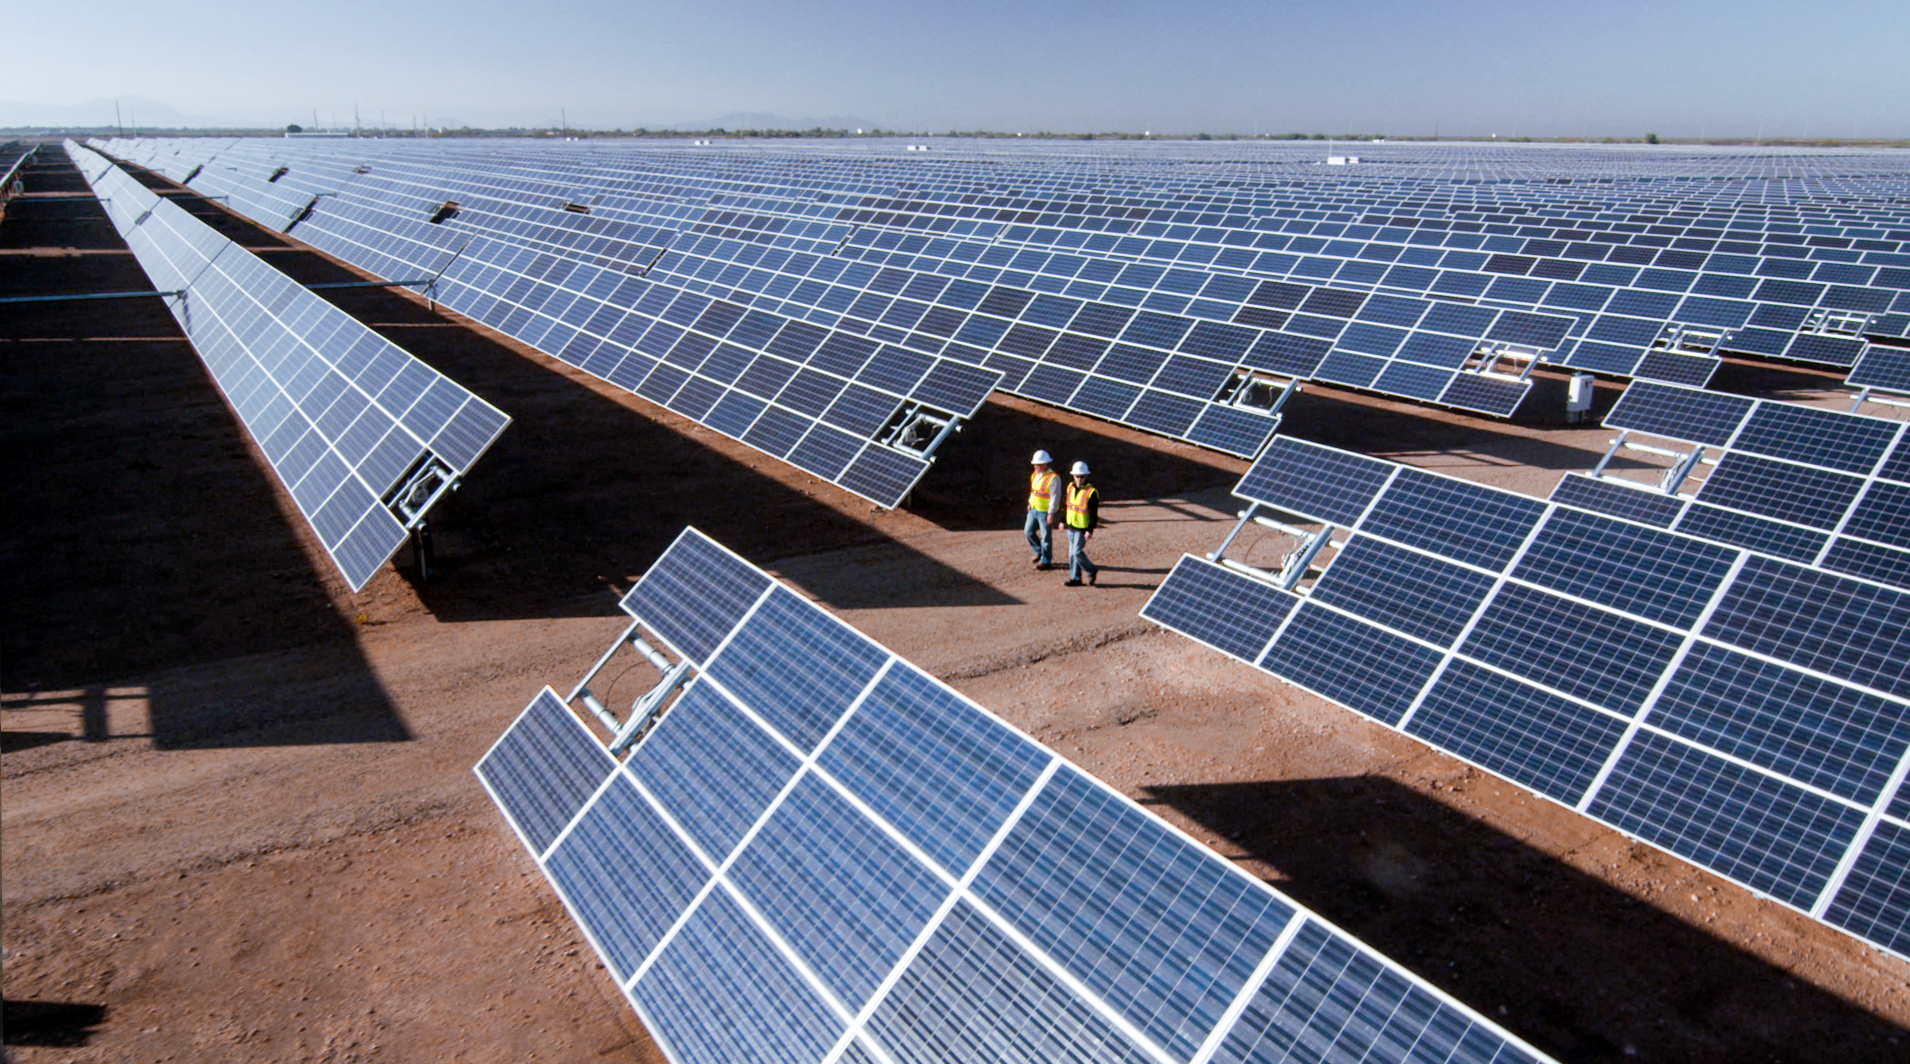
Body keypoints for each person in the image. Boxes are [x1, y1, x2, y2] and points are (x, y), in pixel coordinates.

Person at [1062, 460, 1101, 587]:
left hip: (1082, 528)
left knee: (1077, 552)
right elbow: (1067, 506)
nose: (1079, 479)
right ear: (1073, 476)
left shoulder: (1091, 493)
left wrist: (1090, 530)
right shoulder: (1070, 488)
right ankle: (1076, 579)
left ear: (1086, 476)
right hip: (1071, 526)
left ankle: (1091, 570)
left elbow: (1094, 514)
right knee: (1072, 554)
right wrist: (1063, 521)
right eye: (1077, 476)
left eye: (1082, 476)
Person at [1024, 450, 1062, 570]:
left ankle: (1046, 560)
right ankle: (1039, 551)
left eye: (1038, 464)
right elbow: (1033, 490)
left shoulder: (1053, 479)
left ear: (1045, 464)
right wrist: (1030, 502)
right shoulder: (1035, 474)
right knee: (1028, 532)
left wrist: (1051, 513)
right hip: (1034, 509)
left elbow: (1055, 498)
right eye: (1035, 464)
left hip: (1045, 513)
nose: (1035, 466)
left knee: (1046, 537)